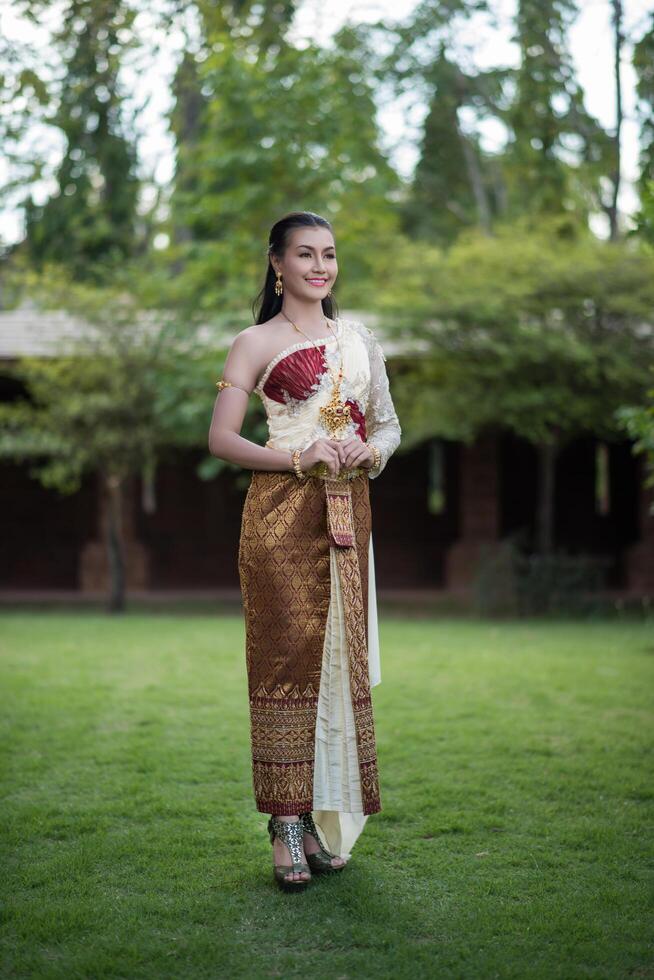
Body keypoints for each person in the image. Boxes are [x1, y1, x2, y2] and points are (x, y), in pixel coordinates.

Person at [207, 210, 401, 892]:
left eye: (329, 254)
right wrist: (299, 454)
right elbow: (223, 440)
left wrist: (366, 448)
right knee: (286, 661)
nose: (320, 266)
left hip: (350, 511)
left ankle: (317, 821)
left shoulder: (357, 339)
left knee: (337, 665)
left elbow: (389, 424)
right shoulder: (253, 342)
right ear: (276, 263)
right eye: (306, 255)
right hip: (279, 515)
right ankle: (284, 824)